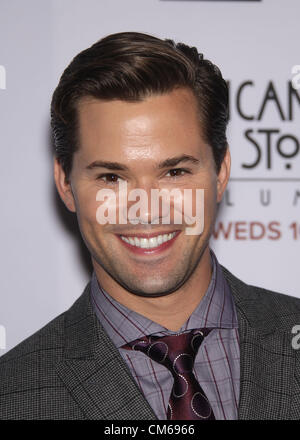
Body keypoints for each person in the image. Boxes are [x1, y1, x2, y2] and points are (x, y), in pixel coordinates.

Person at [0, 31, 299, 421]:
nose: (146, 209)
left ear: (221, 172)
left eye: (174, 172)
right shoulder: (13, 395)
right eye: (111, 177)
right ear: (65, 184)